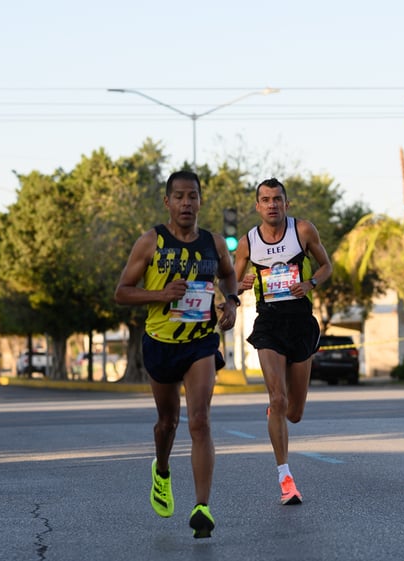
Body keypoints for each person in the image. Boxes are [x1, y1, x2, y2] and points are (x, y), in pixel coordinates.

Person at [113, 170, 238, 539]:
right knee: (167, 422)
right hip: (160, 342)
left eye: (193, 196)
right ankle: (163, 469)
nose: (187, 203)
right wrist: (161, 295)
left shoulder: (215, 243)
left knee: (199, 420)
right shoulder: (151, 241)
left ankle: (202, 507)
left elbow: (229, 276)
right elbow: (122, 292)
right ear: (167, 202)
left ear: (201, 201)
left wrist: (231, 303)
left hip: (200, 342)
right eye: (179, 197)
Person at [232, 177, 332, 506]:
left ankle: (279, 408)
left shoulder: (302, 231)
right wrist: (241, 285)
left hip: (301, 323)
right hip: (269, 323)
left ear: (286, 204)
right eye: (265, 199)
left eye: (277, 199)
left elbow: (327, 266)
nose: (272, 204)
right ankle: (285, 478)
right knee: (278, 398)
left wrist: (311, 283)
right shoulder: (248, 242)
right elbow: (231, 282)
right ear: (257, 206)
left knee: (295, 412)